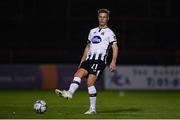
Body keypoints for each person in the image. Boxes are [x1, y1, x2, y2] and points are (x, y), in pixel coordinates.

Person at [55, 8, 118, 114]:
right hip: (89, 59)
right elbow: (88, 46)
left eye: (104, 17)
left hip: (99, 61)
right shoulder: (92, 31)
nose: (102, 19)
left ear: (107, 19)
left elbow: (115, 47)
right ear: (98, 18)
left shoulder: (109, 33)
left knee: (90, 82)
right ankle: (70, 93)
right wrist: (82, 61)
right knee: (78, 73)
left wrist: (113, 61)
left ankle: (92, 109)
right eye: (100, 17)